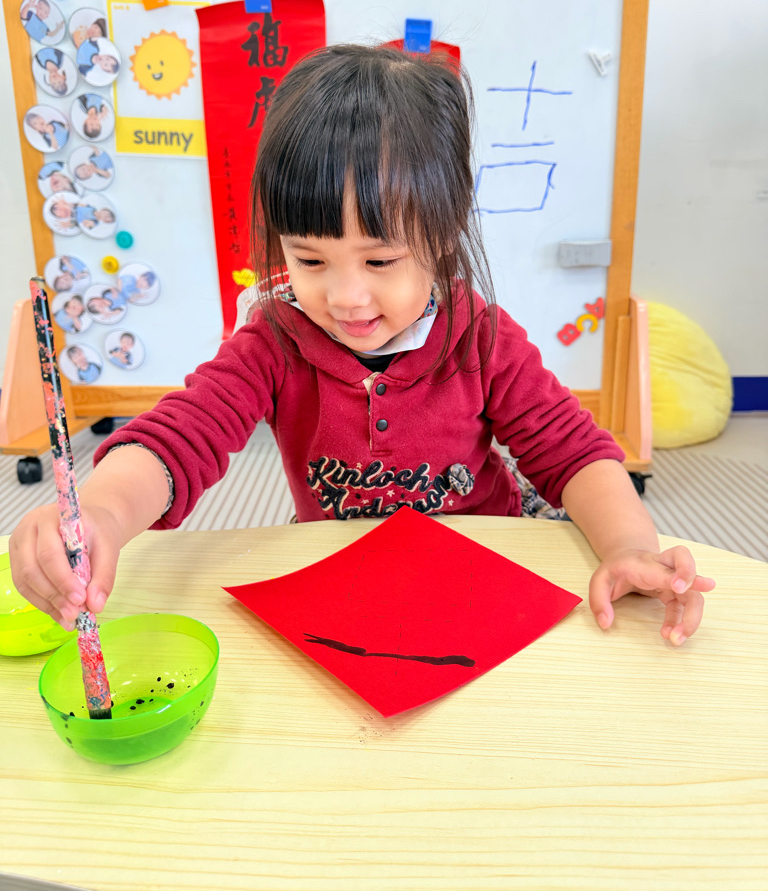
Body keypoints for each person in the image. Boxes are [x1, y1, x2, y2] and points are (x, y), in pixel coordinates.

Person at [9, 44, 716, 645]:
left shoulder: (480, 337)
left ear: (444, 233)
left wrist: (629, 547)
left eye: (380, 261)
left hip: (486, 570)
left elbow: (574, 454)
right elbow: (179, 437)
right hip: (351, 584)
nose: (346, 297)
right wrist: (103, 512)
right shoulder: (274, 341)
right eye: (310, 259)